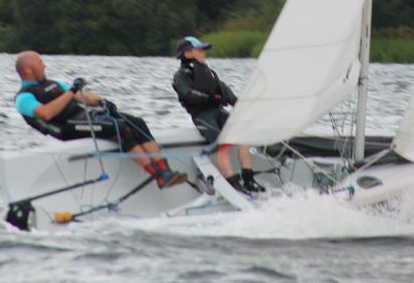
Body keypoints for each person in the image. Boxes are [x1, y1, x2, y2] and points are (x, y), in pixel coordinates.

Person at [14, 51, 187, 190]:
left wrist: (102, 102)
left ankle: (166, 171)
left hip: (84, 117)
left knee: (137, 122)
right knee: (117, 128)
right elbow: (46, 114)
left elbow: (83, 97)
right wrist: (71, 91)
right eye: (39, 62)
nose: (44, 65)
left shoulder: (54, 83)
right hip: (66, 128)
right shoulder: (23, 97)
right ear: (28, 70)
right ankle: (157, 176)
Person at [172, 36, 264, 194]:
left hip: (218, 112)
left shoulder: (210, 72)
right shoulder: (181, 75)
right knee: (223, 145)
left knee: (242, 136)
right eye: (200, 50)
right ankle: (233, 184)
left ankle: (248, 179)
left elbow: (224, 90)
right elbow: (187, 94)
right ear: (187, 54)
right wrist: (208, 98)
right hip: (202, 116)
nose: (204, 53)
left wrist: (239, 104)